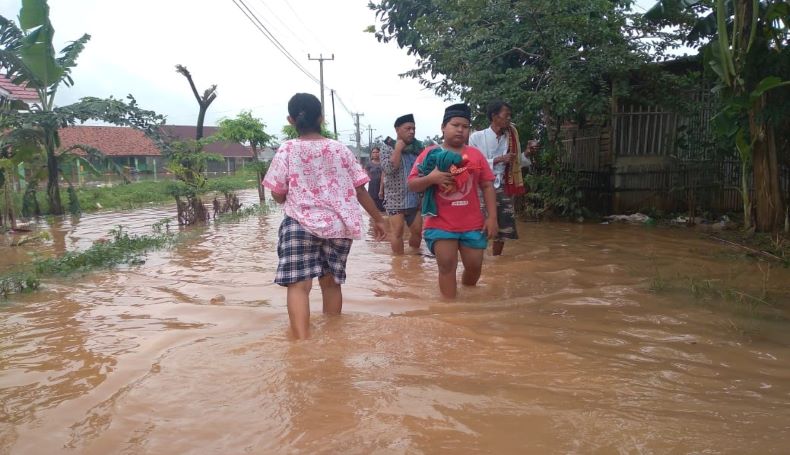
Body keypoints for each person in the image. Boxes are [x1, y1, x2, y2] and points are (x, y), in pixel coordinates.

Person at [262, 93, 388, 339]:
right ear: (322, 118)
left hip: (298, 224)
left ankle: (301, 344)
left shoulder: (287, 149)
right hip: (339, 226)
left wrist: (290, 194)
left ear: (290, 120)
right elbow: (360, 189)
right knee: (331, 284)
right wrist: (378, 219)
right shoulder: (340, 149)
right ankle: (333, 341)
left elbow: (278, 193)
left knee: (299, 286)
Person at [407, 103, 497, 299]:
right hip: (440, 222)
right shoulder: (430, 154)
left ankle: (467, 294)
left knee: (474, 267)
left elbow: (488, 186)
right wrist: (432, 178)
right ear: (443, 127)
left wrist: (492, 218)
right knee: (446, 264)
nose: (460, 130)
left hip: (472, 224)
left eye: (465, 126)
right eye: (455, 125)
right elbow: (412, 184)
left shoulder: (475, 155)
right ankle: (450, 309)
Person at [468, 100, 525, 256]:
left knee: (503, 227)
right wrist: (499, 159)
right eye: (506, 115)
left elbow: (517, 161)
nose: (509, 119)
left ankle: (496, 261)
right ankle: (478, 258)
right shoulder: (476, 137)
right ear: (494, 116)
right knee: (480, 223)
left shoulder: (512, 137)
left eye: (510, 116)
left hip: (504, 186)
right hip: (482, 186)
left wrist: (528, 154)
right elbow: (471, 162)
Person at [380, 115, 424, 254]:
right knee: (397, 232)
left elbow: (423, 172)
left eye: (413, 129)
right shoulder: (386, 148)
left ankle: (414, 260)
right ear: (397, 129)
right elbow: (388, 169)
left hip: (414, 199)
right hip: (395, 200)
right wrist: (398, 149)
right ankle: (398, 265)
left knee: (418, 232)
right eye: (408, 128)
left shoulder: (417, 149)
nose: (411, 131)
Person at [365, 146, 385, 212]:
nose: (375, 154)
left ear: (380, 153)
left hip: (382, 187)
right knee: (372, 208)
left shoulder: (383, 163)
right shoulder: (369, 164)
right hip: (372, 188)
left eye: (377, 152)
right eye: (373, 152)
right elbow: (366, 177)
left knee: (382, 208)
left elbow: (383, 177)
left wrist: (381, 190)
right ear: (371, 154)